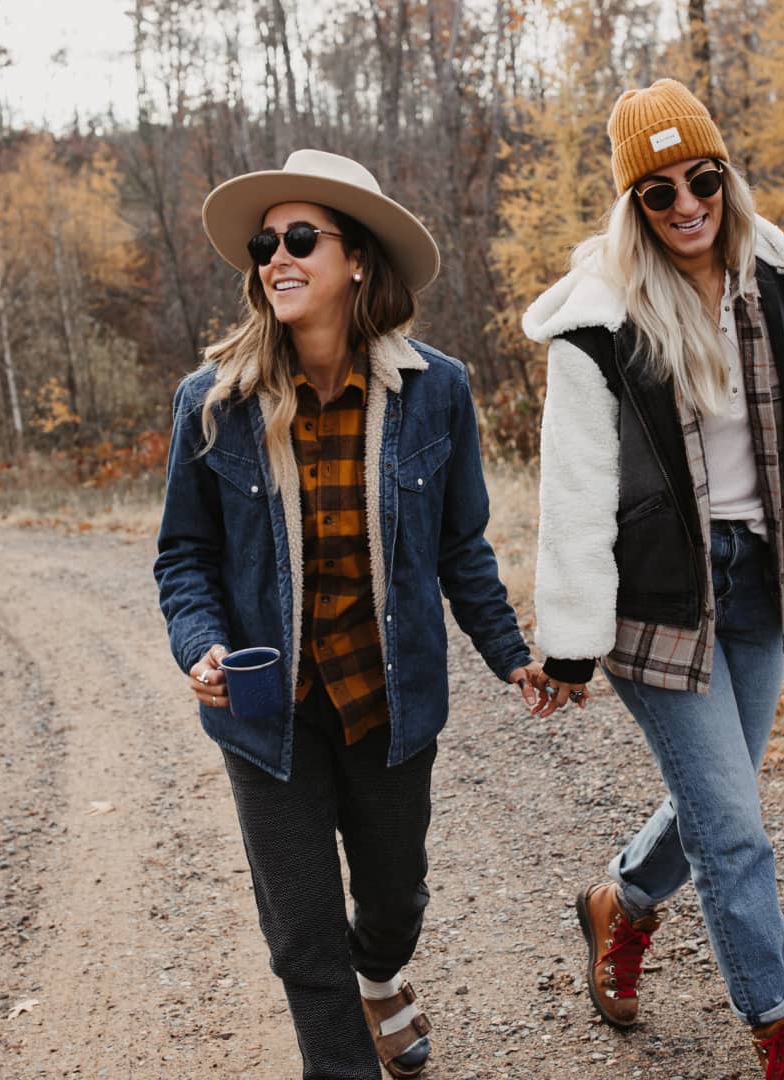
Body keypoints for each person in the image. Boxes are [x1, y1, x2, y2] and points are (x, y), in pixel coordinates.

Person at [523, 80, 784, 1080]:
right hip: (653, 599)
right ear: (633, 207)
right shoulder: (599, 326)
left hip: (760, 581)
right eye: (658, 193)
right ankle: (780, 1033)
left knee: (721, 801)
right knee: (737, 831)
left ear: (726, 176)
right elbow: (575, 488)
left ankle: (619, 900)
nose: (687, 204)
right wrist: (569, 643)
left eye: (703, 178)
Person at [154, 149, 541, 1080]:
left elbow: (460, 546)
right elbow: (184, 556)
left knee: (394, 899)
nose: (276, 259)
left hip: (387, 702)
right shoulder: (212, 402)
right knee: (300, 931)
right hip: (266, 715)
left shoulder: (434, 390)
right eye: (263, 244)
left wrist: (511, 653)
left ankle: (383, 974)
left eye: (299, 238)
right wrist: (201, 648)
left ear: (357, 259)